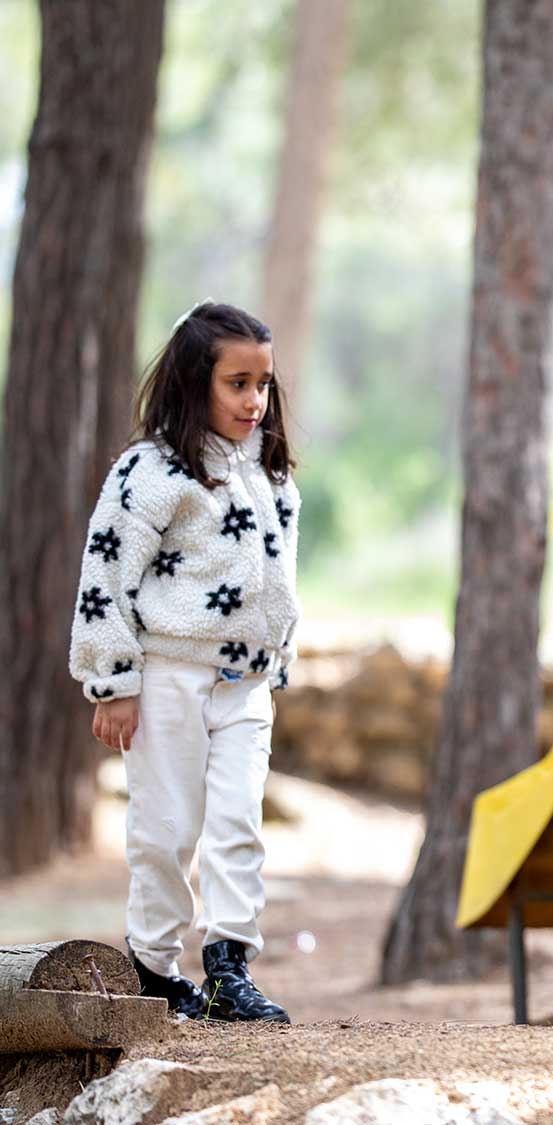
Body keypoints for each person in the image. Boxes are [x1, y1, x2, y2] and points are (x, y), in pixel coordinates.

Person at [69, 302, 301, 1023]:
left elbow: (281, 578)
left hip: (247, 683)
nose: (254, 400)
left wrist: (278, 657)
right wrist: (113, 682)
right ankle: (155, 967)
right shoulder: (151, 471)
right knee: (166, 828)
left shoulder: (273, 475)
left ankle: (230, 964)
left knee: (239, 823)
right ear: (195, 381)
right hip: (170, 674)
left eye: (262, 384)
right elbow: (105, 574)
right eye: (237, 383)